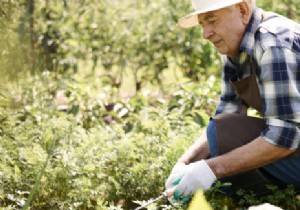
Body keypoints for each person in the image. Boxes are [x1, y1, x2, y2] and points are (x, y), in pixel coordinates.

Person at [165, 0, 300, 200]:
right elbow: (226, 116)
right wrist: (184, 164)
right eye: (203, 24)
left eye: (211, 20)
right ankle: (264, 199)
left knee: (220, 154)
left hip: (291, 142)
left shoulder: (272, 43)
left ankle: (268, 199)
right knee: (220, 131)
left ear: (243, 10)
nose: (205, 33)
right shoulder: (235, 49)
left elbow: (284, 136)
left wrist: (212, 168)